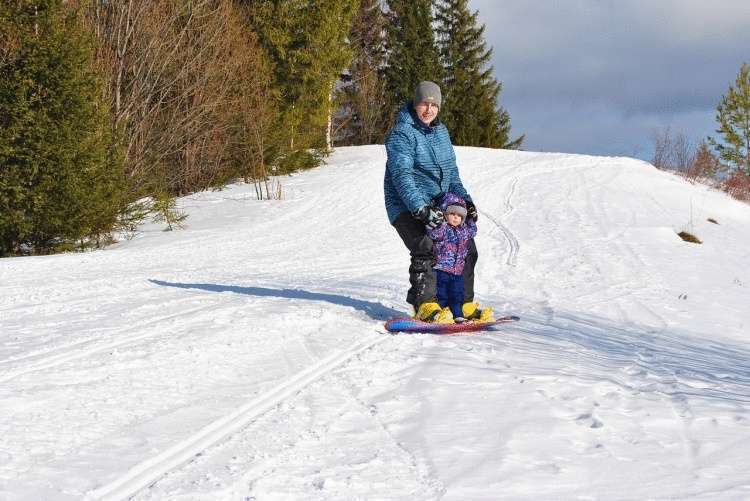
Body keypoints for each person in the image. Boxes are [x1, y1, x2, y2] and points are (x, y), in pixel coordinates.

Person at [384, 80, 492, 323]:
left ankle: (462, 304)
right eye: (424, 103)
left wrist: (466, 201)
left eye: (434, 105)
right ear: (415, 103)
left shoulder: (441, 133)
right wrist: (420, 209)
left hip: (439, 205)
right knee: (427, 246)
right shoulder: (401, 134)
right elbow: (402, 175)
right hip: (404, 205)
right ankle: (425, 304)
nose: (429, 110)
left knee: (466, 247)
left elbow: (451, 173)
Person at [427, 193, 477, 323]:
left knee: (457, 295)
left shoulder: (464, 230)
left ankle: (458, 315)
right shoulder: (443, 229)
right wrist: (440, 222)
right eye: (453, 214)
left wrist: (472, 219)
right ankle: (442, 314)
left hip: (457, 271)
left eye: (460, 216)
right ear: (445, 214)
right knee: (441, 295)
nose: (456, 218)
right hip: (442, 269)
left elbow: (473, 231)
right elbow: (433, 233)